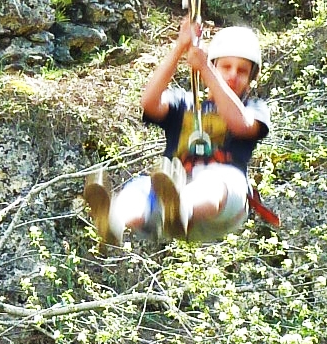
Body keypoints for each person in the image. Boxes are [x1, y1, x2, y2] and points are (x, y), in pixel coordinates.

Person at [82, 18, 270, 244]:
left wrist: (206, 69)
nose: (232, 75)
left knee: (214, 181)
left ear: (250, 80)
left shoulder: (253, 109)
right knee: (140, 188)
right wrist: (179, 48)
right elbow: (149, 102)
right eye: (226, 67)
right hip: (172, 198)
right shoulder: (184, 105)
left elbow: (239, 124)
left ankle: (181, 208)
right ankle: (115, 221)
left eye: (241, 71)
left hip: (222, 205)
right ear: (215, 65)